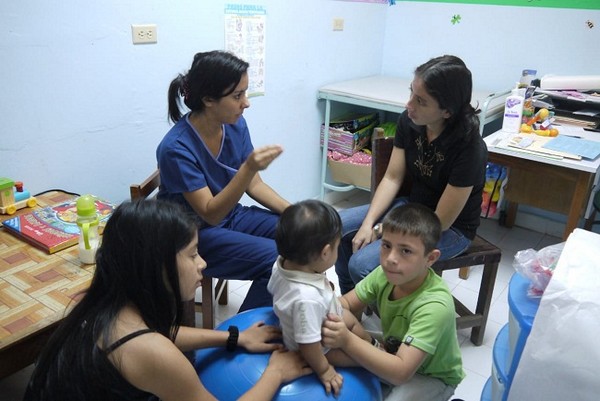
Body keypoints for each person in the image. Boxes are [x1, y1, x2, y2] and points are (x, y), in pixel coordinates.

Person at [24, 200, 311, 401]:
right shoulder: (151, 353)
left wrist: (234, 337)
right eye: (192, 254)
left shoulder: (105, 303)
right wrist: (275, 373)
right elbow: (154, 347)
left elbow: (161, 334)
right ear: (158, 266)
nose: (203, 263)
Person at [335, 55, 487, 294]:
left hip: (449, 229)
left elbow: (442, 221)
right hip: (412, 208)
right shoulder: (410, 121)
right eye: (411, 93)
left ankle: (384, 309)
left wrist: (382, 231)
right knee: (337, 227)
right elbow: (392, 178)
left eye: (421, 101)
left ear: (447, 111)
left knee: (361, 265)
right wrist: (368, 223)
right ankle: (349, 301)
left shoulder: (469, 148)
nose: (409, 105)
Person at [156, 50, 290, 312]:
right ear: (208, 99)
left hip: (231, 216)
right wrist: (248, 168)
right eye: (237, 96)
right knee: (276, 260)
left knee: (301, 234)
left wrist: (295, 212)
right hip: (193, 233)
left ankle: (288, 315)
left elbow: (255, 185)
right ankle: (243, 330)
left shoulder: (235, 125)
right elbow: (211, 214)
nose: (246, 103)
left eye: (245, 93)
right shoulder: (176, 148)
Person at [322, 203, 465, 401]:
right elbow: (345, 304)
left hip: (430, 376)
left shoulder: (434, 306)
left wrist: (347, 340)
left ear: (430, 258)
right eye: (386, 246)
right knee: (332, 331)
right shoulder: (385, 273)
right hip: (395, 347)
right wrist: (319, 304)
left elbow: (401, 372)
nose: (390, 259)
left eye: (405, 251)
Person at [267, 200, 374, 397]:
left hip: (326, 317)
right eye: (337, 246)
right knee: (360, 359)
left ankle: (371, 343)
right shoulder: (306, 298)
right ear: (325, 253)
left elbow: (274, 289)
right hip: (321, 346)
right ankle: (373, 354)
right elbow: (309, 345)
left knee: (351, 320)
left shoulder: (283, 263)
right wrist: (324, 370)